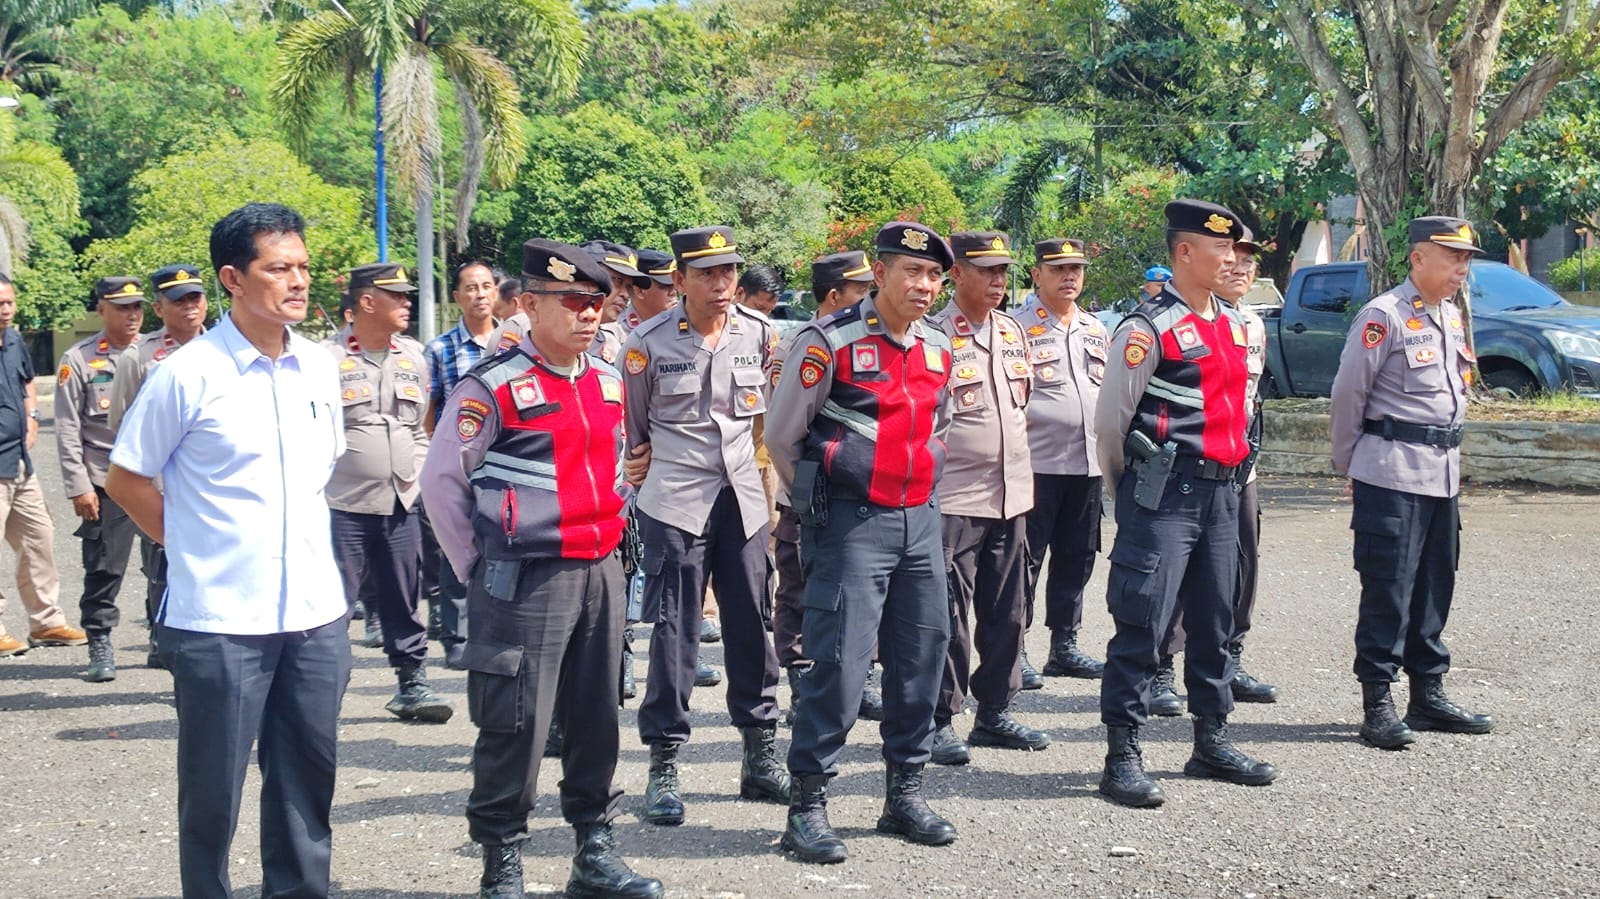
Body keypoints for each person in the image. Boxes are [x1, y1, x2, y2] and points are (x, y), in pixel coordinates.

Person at [106, 202, 352, 898]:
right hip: (218, 622)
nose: (299, 281)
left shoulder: (318, 366)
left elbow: (321, 472)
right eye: (280, 268)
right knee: (213, 796)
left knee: (307, 789)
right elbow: (127, 477)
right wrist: (195, 545)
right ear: (233, 279)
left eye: (303, 266)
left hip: (313, 615)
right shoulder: (189, 374)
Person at [420, 239, 662, 899]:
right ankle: (502, 859)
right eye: (575, 301)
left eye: (598, 301)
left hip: (601, 571)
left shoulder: (606, 378)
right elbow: (442, 484)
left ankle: (595, 847)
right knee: (515, 723)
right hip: (525, 577)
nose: (591, 314)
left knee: (596, 717)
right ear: (527, 304)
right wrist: (483, 566)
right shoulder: (492, 385)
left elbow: (617, 465)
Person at [766, 221, 958, 864]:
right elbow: (782, 436)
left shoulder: (938, 346)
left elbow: (941, 427)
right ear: (879, 274)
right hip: (850, 525)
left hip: (919, 522)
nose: (925, 285)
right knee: (840, 665)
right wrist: (822, 504)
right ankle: (808, 806)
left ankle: (904, 794)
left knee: (921, 658)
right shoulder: (829, 341)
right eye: (912, 271)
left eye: (934, 274)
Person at [1093, 199, 1277, 809]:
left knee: (1216, 620)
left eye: (1235, 249)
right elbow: (1112, 425)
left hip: (1225, 491)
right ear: (1184, 254)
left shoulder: (1240, 323)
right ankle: (1122, 753)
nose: (1233, 259)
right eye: (1221, 248)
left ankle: (1211, 740)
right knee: (1142, 621)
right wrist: (1133, 498)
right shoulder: (1146, 329)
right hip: (1165, 493)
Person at [621, 225, 788, 826]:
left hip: (741, 497)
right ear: (679, 280)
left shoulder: (760, 333)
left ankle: (759, 753)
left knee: (752, 621)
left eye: (729, 272)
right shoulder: (647, 342)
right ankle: (664, 763)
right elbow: (636, 431)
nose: (721, 284)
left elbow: (769, 416)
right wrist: (642, 466)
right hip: (674, 501)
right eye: (707, 274)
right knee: (674, 631)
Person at [1330, 215, 1494, 750]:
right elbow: (1348, 396)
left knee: (1433, 587)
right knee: (1388, 589)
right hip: (1391, 471)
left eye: (1467, 259)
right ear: (1419, 258)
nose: (1462, 268)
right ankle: (1378, 701)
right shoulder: (1384, 317)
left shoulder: (1450, 316)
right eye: (1454, 257)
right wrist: (1351, 465)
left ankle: (1428, 693)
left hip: (1441, 475)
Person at [926, 231, 1050, 766]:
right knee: (947, 613)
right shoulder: (932, 335)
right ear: (958, 274)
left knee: (1009, 610)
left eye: (1004, 272)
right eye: (987, 271)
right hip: (954, 496)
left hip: (1012, 495)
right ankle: (939, 719)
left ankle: (995, 711)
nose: (999, 282)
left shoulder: (1015, 332)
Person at [1153, 231, 1281, 711]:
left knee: (1237, 572)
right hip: (1183, 475)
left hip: (1236, 471)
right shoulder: (1170, 322)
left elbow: (1249, 402)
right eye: (1231, 257)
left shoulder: (1250, 325)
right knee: (1174, 575)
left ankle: (1230, 657)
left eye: (1248, 261)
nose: (1240, 268)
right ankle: (1162, 668)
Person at [324, 262, 452, 723]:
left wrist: (416, 479)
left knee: (404, 595)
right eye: (396, 296)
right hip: (342, 504)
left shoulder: (412, 356)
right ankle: (324, 689)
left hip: (400, 501)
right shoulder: (326, 359)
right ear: (366, 302)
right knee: (334, 604)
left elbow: (419, 429)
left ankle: (411, 683)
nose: (406, 303)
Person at [768, 251, 883, 723]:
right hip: (807, 486)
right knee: (800, 584)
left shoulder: (875, 338)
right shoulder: (798, 345)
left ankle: (862, 675)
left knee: (860, 586)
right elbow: (784, 430)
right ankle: (801, 676)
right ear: (836, 297)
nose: (869, 297)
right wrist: (802, 493)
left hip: (855, 492)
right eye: (861, 290)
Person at [105, 263, 209, 669]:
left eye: (195, 298)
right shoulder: (140, 355)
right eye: (177, 301)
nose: (189, 307)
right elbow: (122, 422)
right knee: (161, 566)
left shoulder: (225, 348)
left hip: (207, 483)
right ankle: (163, 639)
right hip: (162, 484)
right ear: (159, 308)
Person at [1018, 238, 1110, 685]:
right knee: (1025, 559)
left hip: (1087, 464)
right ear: (1037, 275)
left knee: (1077, 556)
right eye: (1058, 269)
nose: (1069, 276)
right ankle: (1013, 645)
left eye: (1076, 269)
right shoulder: (1014, 328)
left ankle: (1065, 645)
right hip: (1035, 465)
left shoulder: (1096, 329)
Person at [55, 275, 145, 681]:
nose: (132, 314)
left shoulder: (158, 352)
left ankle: (163, 641)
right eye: (122, 307)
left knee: (167, 565)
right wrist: (78, 486)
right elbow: (67, 428)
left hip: (158, 477)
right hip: (105, 480)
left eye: (137, 306)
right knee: (105, 567)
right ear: (101, 310)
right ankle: (100, 641)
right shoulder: (78, 359)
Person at [422, 259, 501, 669]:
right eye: (470, 288)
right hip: (460, 460)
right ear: (457, 296)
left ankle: (493, 629)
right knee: (455, 544)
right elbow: (431, 410)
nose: (480, 294)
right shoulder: (439, 350)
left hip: (503, 462)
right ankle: (456, 637)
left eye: (486, 286)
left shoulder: (512, 341)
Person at [0, 273, 81, 656]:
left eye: (9, 302)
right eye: (0, 304)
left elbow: (28, 382)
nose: (5, 309)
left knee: (39, 539)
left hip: (20, 462)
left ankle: (46, 623)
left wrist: (32, 415)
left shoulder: (13, 340)